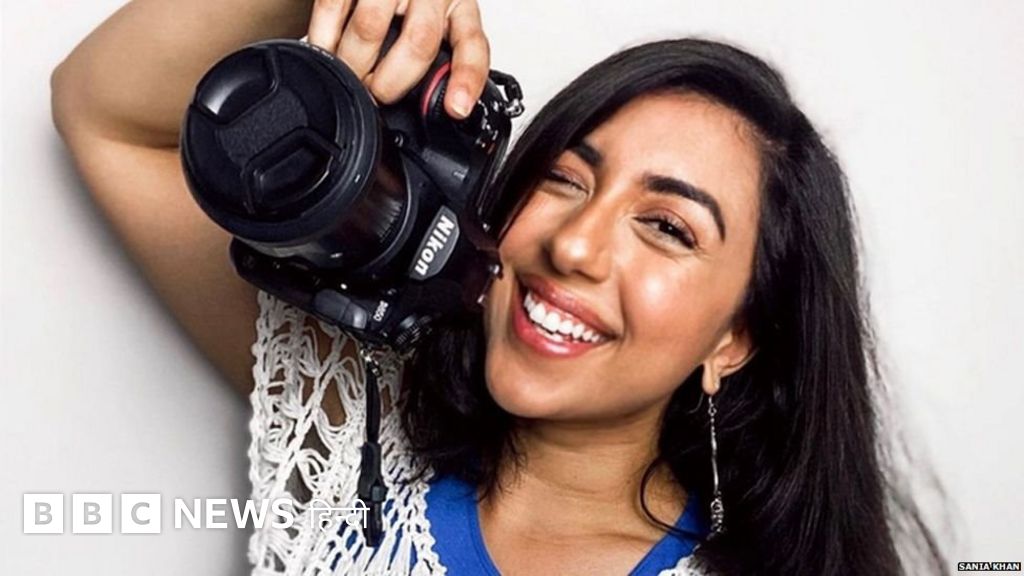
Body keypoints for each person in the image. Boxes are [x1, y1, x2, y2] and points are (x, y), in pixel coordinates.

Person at [51, 0, 948, 574]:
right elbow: (107, 112)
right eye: (565, 178)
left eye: (668, 227)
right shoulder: (354, 435)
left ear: (734, 339)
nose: (575, 244)